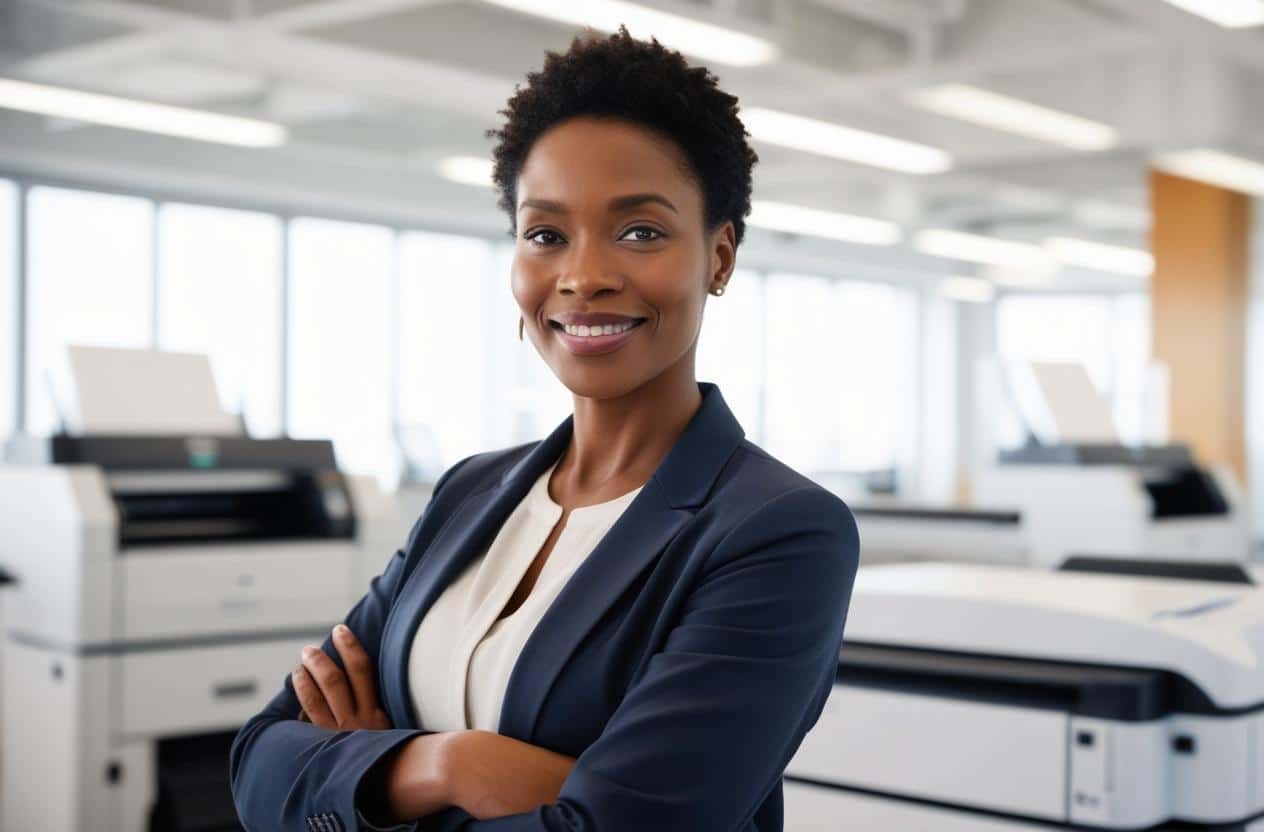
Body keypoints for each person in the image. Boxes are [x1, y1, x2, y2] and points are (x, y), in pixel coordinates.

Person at [229, 26, 860, 832]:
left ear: (720, 257)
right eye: (545, 234)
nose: (584, 275)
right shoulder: (469, 491)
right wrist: (449, 763)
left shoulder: (778, 532)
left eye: (640, 231)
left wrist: (367, 775)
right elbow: (258, 765)